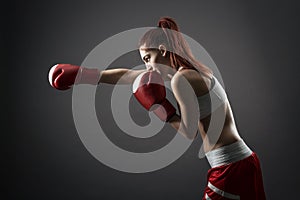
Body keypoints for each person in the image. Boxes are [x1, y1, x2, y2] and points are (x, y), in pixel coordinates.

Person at [48, 17, 266, 200]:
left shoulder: (182, 79)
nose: (147, 67)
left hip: (230, 167)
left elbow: (189, 132)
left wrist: (159, 107)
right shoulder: (193, 71)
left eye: (147, 58)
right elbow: (129, 76)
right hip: (243, 161)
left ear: (162, 50)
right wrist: (84, 75)